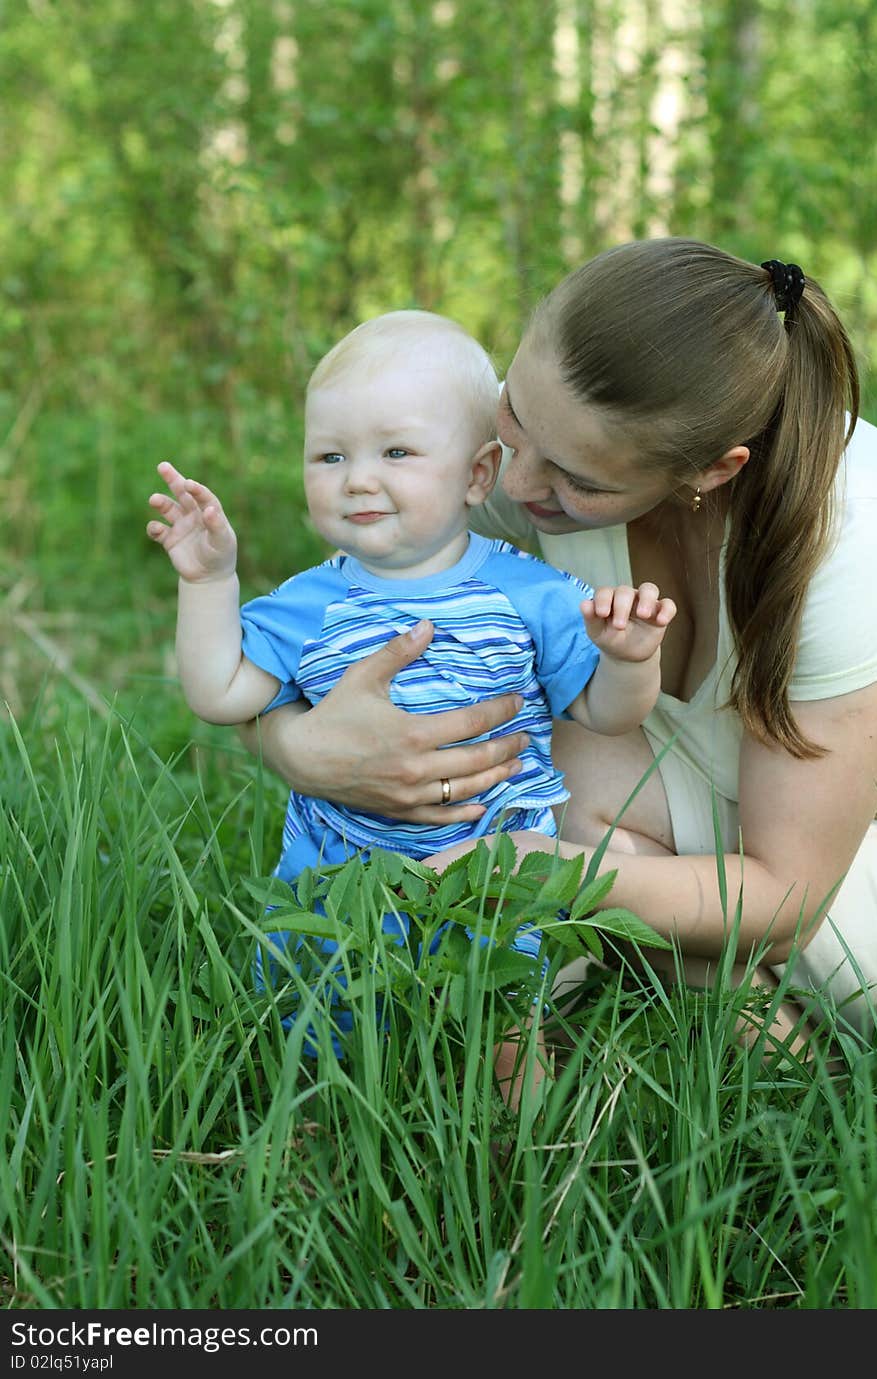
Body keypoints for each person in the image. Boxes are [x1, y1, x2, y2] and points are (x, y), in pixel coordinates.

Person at [234, 241, 877, 1051]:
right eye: (513, 421)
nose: (514, 483)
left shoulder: (846, 538)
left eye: (580, 481)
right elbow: (320, 621)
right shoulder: (545, 435)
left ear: (711, 471)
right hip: (683, 792)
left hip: (832, 850)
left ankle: (760, 1034)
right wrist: (298, 747)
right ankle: (687, 967)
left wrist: (549, 869)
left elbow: (790, 899)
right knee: (529, 751)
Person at [146, 309, 677, 1099]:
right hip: (336, 887)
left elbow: (609, 714)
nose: (358, 477)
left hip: (495, 877)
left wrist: (631, 658)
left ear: (475, 475)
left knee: (506, 1027)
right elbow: (220, 692)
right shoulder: (308, 602)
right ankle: (321, 1143)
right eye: (329, 455)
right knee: (320, 1037)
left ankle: (519, 1156)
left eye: (396, 451)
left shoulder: (530, 591)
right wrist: (209, 582)